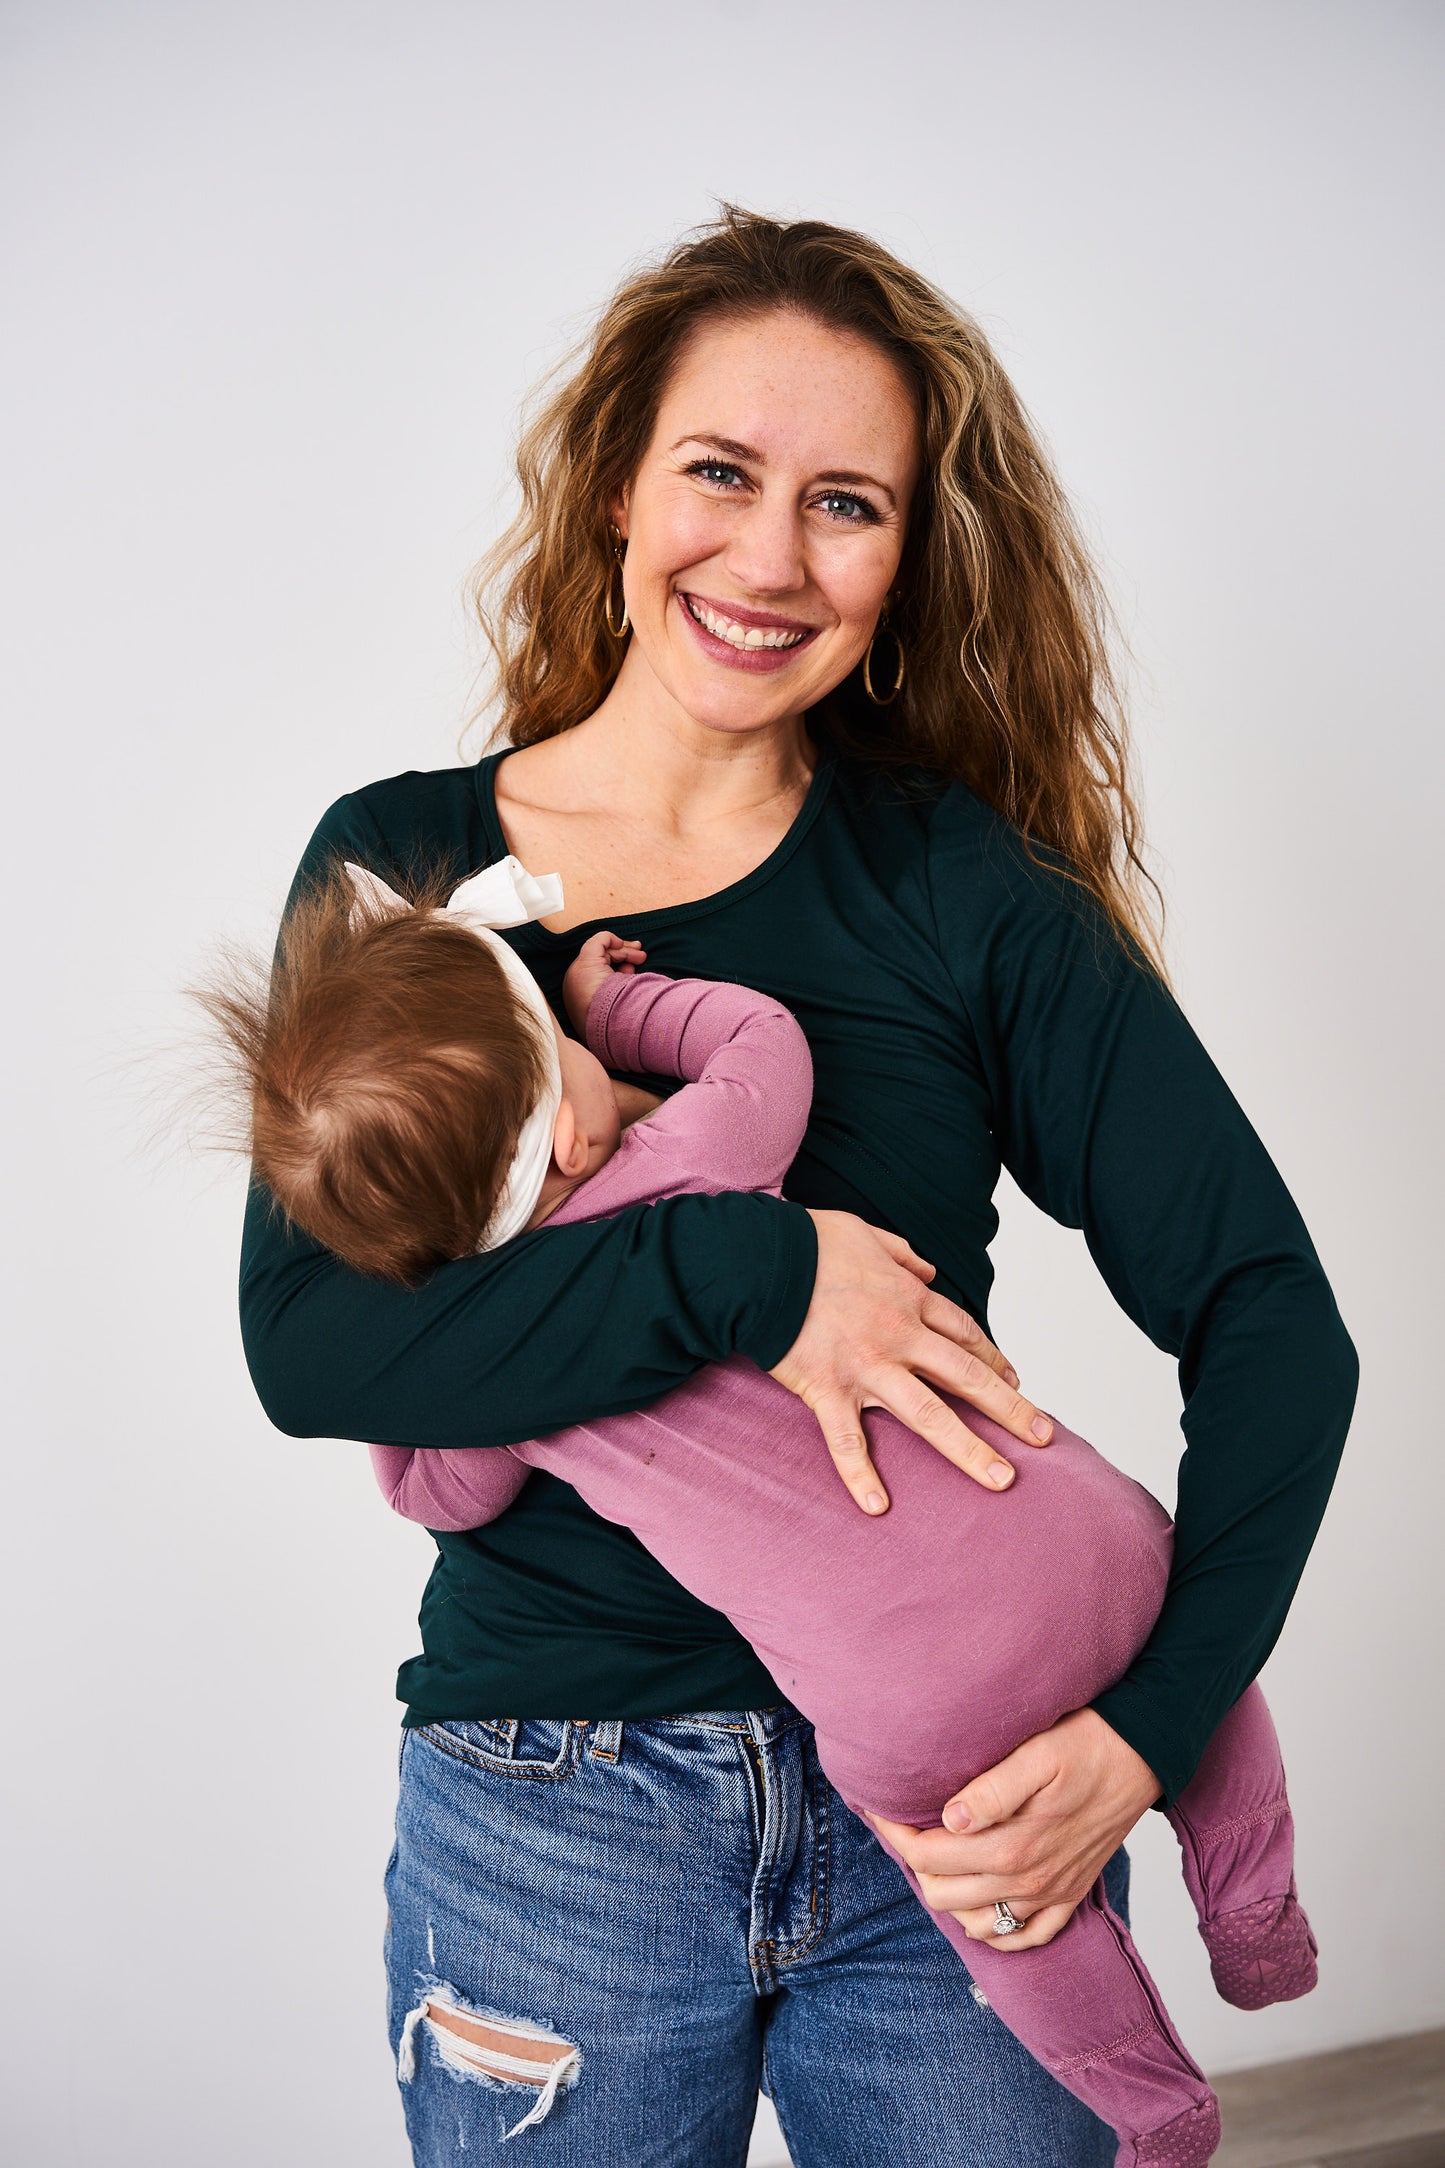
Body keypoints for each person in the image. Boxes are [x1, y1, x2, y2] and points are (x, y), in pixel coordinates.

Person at [237, 207, 1358, 2166]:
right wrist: (755, 1274)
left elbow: (1274, 1310)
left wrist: (1147, 1725)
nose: (770, 558)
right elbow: (320, 1340)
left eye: (846, 502)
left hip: (964, 1806)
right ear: (613, 487)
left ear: (907, 553)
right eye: (721, 474)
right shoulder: (409, 877)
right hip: (550, 1817)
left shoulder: (959, 890)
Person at [209, 850, 1321, 2165]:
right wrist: (619, 1010)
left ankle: (1157, 2109)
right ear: (569, 1128)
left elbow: (438, 1490)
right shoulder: (693, 1156)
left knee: (1004, 1916)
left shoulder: (512, 1371)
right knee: (1150, 1638)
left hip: (907, 1709)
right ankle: (1256, 1916)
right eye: (554, 1038)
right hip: (1074, 1533)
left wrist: (441, 1343)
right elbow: (760, 1040)